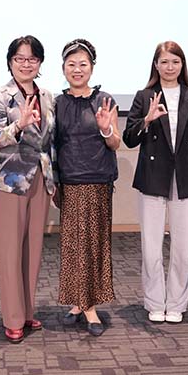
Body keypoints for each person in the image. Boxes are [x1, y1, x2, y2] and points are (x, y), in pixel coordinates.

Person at [122, 41, 188, 324]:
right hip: (152, 178)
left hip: (186, 177)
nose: (170, 67)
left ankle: (177, 303)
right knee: (151, 246)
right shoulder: (143, 95)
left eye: (175, 62)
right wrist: (146, 120)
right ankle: (155, 302)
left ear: (182, 65)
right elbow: (129, 139)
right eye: (164, 62)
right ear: (155, 65)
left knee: (184, 247)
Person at [0, 35, 55, 344]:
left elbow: (50, 140)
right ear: (10, 62)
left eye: (32, 59)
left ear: (39, 63)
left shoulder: (47, 95)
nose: (26, 64)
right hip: (9, 179)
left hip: (39, 177)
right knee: (10, 250)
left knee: (33, 249)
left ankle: (27, 310)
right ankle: (12, 318)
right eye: (20, 58)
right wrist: (19, 125)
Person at [54, 38, 119, 337]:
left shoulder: (104, 99)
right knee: (72, 247)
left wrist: (106, 127)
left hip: (97, 180)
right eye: (71, 64)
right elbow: (52, 145)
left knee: (92, 246)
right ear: (63, 68)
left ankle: (90, 305)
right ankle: (77, 304)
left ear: (92, 67)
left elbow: (115, 142)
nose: (77, 70)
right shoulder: (57, 102)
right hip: (69, 181)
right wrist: (53, 180)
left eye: (83, 64)